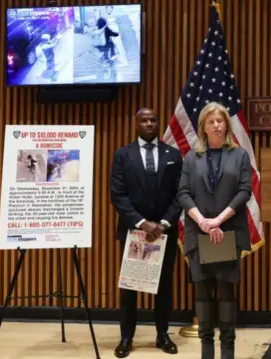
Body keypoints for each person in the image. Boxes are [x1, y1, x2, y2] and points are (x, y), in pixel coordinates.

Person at [176, 102, 252, 359]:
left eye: (220, 120)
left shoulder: (239, 155)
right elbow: (183, 193)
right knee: (203, 296)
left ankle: (227, 352)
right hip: (200, 235)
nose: (217, 125)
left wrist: (218, 220)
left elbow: (245, 191)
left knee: (227, 294)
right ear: (203, 128)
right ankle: (206, 352)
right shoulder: (190, 157)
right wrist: (203, 223)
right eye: (211, 122)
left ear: (227, 125)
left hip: (227, 234)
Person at [110, 108, 183, 358]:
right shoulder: (122, 154)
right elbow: (117, 195)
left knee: (163, 286)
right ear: (136, 123)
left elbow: (179, 194)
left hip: (164, 233)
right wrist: (142, 223)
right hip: (133, 232)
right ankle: (126, 337)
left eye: (153, 120)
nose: (149, 123)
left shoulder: (173, 155)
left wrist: (163, 223)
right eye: (144, 120)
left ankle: (162, 335)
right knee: (129, 287)